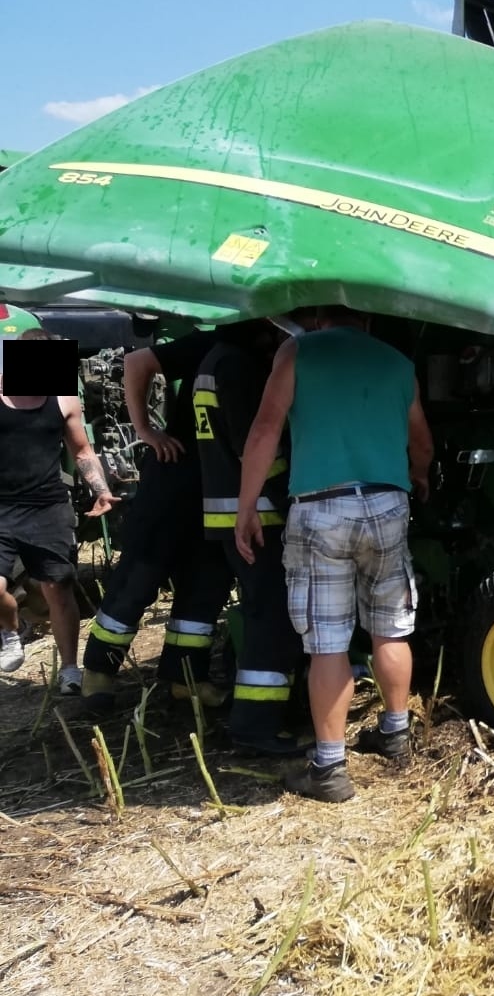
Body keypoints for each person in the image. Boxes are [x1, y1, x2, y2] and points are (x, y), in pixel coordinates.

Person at [235, 306, 433, 803]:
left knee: (328, 642)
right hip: (388, 502)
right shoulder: (397, 361)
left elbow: (264, 430)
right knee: (390, 627)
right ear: (368, 316)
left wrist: (246, 507)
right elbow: (421, 441)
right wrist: (421, 475)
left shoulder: (297, 352)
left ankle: (329, 768)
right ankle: (395, 733)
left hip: (323, 507)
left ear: (320, 315)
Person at [81, 327, 237, 713]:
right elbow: (138, 361)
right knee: (139, 578)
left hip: (220, 488)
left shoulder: (281, 350)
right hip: (174, 479)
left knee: (208, 583)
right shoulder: (223, 341)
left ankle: (187, 679)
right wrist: (145, 430)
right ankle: (99, 673)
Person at [193, 320, 306, 755]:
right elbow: (255, 446)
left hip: (230, 511)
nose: (274, 333)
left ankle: (261, 719)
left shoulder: (213, 360)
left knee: (263, 613)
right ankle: (257, 727)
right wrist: (288, 494)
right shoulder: (237, 367)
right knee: (273, 619)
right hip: (256, 517)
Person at [0, 317, 118, 690]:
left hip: (46, 507)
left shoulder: (63, 400)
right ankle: (10, 631)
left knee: (58, 586)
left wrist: (100, 489)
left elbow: (81, 450)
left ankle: (69, 669)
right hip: (1, 508)